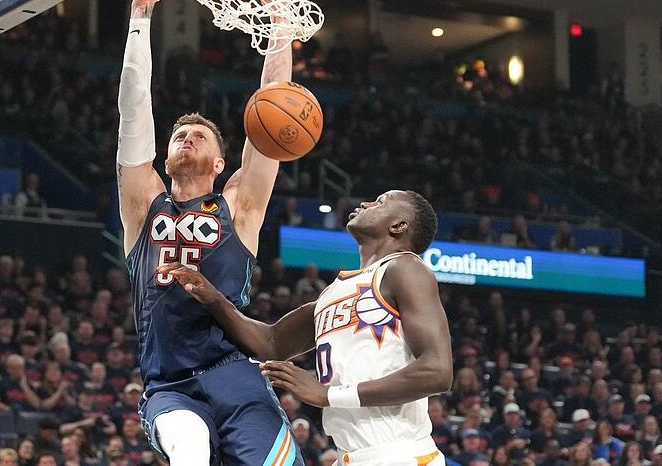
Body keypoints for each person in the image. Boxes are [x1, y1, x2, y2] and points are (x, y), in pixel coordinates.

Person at [115, 0, 303, 465]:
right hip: (169, 384)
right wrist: (141, 15)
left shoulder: (239, 204)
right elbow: (133, 112)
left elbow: (274, 111)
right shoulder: (143, 203)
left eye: (200, 135)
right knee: (192, 452)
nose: (186, 135)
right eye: (178, 134)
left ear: (221, 163)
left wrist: (279, 18)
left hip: (235, 373)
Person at [164, 189, 452, 465]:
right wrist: (214, 299)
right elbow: (272, 342)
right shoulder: (334, 292)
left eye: (380, 202)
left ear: (399, 225)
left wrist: (328, 395)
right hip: (349, 455)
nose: (365, 204)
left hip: (399, 454)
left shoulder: (405, 268)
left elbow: (437, 371)